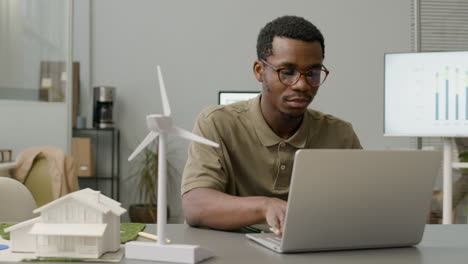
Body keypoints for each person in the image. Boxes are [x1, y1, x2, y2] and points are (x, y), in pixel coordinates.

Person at [181, 15, 362, 235]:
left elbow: (364, 206)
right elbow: (195, 206)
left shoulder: (340, 134)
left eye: (313, 73)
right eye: (287, 72)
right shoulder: (216, 123)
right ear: (259, 71)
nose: (302, 85)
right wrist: (266, 206)